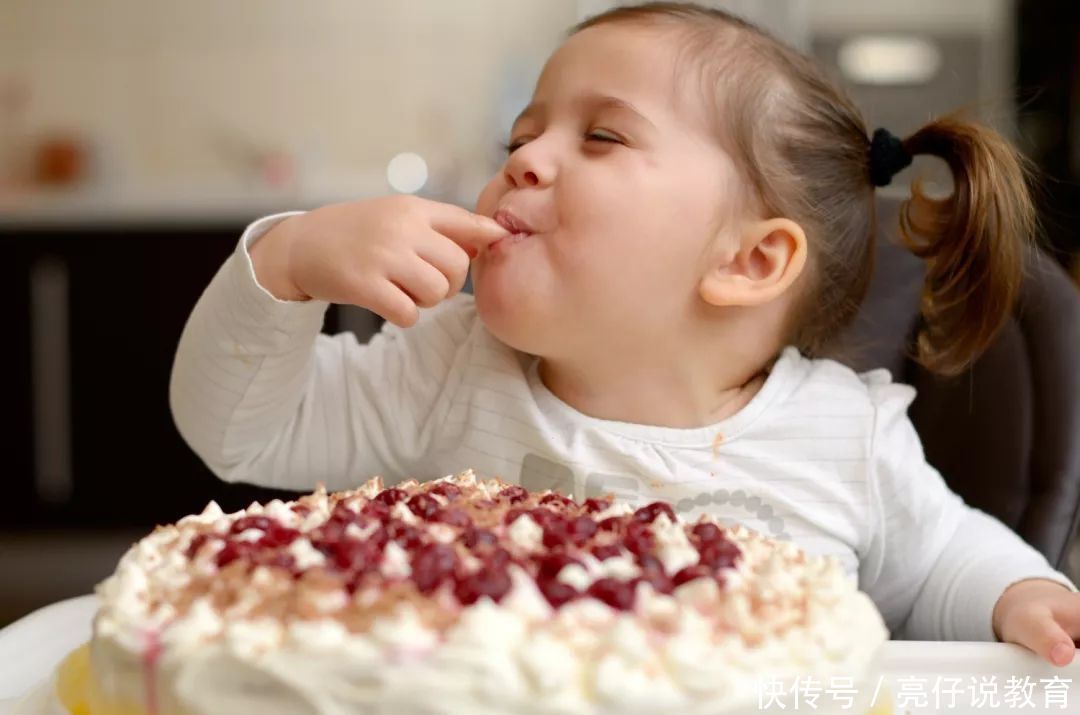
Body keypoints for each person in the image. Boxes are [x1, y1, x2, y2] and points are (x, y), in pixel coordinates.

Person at [170, 2, 1079, 665]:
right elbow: (241, 431)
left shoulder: (845, 439)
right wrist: (285, 262)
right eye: (518, 139)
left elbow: (945, 557)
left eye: (601, 137)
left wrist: (1026, 595)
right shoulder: (449, 369)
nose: (524, 160)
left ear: (750, 260)